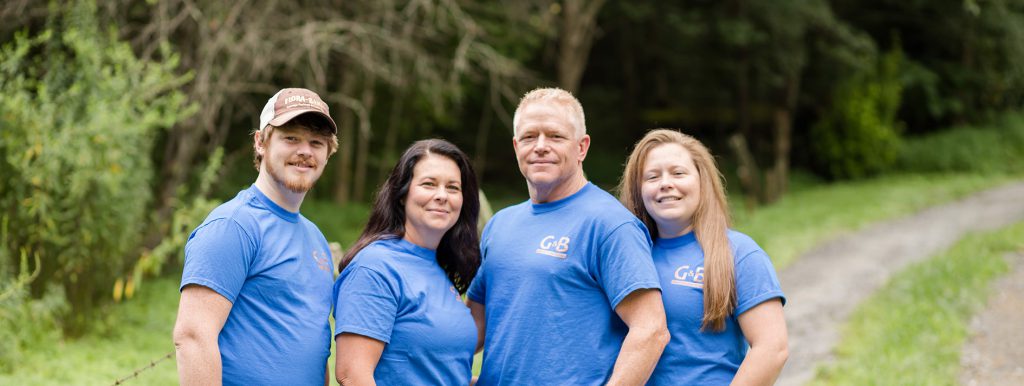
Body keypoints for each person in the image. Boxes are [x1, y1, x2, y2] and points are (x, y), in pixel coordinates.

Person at [467, 88, 669, 385]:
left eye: (555, 136)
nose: (540, 146)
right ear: (515, 146)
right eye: (528, 137)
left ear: (581, 147)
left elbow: (651, 330)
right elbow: (475, 325)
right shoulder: (500, 225)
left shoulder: (609, 224)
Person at [173, 88, 340, 385]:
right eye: (291, 138)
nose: (305, 151)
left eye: (316, 143)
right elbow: (193, 336)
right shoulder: (234, 226)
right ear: (261, 142)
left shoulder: (316, 238)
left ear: (329, 153)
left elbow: (314, 347)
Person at [617, 129, 788, 385]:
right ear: (638, 190)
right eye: (652, 176)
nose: (665, 183)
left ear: (701, 181)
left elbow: (772, 348)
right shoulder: (625, 256)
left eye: (678, 173)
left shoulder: (739, 253)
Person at [333, 139, 481, 385]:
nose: (442, 196)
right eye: (429, 184)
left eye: (453, 188)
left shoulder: (439, 270)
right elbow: (353, 375)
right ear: (402, 194)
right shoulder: (376, 267)